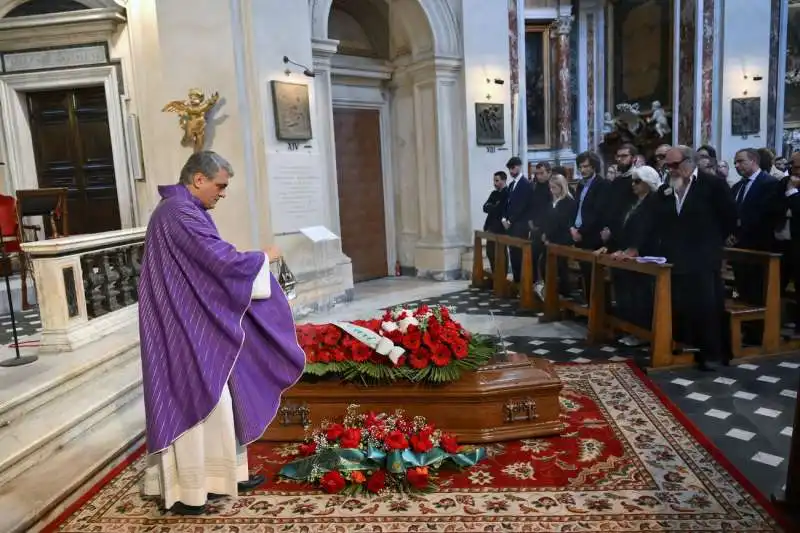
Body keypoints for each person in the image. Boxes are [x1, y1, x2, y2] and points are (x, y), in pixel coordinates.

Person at [139, 151, 306, 515]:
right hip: (182, 323)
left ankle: (224, 475)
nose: (223, 193)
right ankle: (191, 491)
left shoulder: (183, 210)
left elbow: (207, 262)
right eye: (220, 185)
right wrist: (264, 257)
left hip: (194, 316)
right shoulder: (178, 213)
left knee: (222, 395)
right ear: (198, 179)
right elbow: (220, 261)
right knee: (198, 397)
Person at [655, 146, 737, 370]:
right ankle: (687, 345)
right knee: (682, 305)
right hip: (676, 257)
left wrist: (711, 240)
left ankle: (712, 353)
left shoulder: (712, 185)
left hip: (703, 256)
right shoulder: (667, 188)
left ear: (689, 162)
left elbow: (729, 217)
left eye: (674, 165)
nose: (670, 169)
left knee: (707, 306)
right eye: (667, 165)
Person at [604, 165, 661, 346]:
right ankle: (628, 328)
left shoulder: (653, 203)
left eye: (638, 181)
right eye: (633, 181)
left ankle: (642, 332)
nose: (633, 185)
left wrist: (634, 248)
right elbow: (623, 227)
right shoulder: (633, 202)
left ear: (648, 183)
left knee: (640, 295)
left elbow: (648, 230)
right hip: (626, 252)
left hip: (643, 255)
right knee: (626, 294)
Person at [536, 174, 576, 300]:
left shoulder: (568, 201)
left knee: (560, 267)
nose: (551, 190)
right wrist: (544, 234)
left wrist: (548, 236)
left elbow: (562, 222)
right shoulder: (552, 201)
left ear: (561, 187)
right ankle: (550, 292)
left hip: (561, 239)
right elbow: (545, 219)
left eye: (554, 188)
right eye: (550, 188)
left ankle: (563, 294)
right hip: (549, 238)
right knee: (543, 265)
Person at [501, 156, 533, 283]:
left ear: (519, 166)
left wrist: (510, 221)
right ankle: (516, 280)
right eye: (509, 169)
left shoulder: (525, 184)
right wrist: (504, 218)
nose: (511, 171)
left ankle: (522, 282)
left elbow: (522, 206)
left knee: (519, 255)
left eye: (513, 168)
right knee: (513, 254)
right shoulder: (512, 184)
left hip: (520, 225)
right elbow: (507, 203)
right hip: (511, 226)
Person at [482, 171, 508, 274]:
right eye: (494, 180)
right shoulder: (494, 193)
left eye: (497, 180)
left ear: (504, 180)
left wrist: (492, 207)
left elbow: (500, 209)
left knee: (501, 253)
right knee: (490, 252)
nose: (495, 183)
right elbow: (485, 207)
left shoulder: (507, 193)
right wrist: (494, 206)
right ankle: (495, 274)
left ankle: (502, 276)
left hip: (501, 228)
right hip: (491, 228)